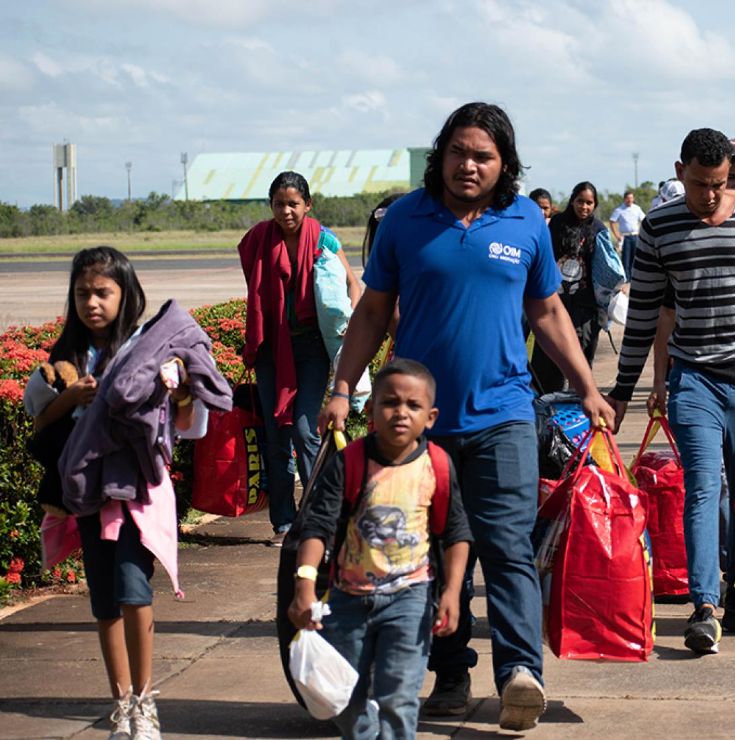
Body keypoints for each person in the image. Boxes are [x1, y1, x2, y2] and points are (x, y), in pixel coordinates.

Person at [320, 101, 614, 731]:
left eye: (483, 156)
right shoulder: (405, 219)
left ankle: (519, 674)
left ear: (505, 163)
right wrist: (342, 387)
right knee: (424, 556)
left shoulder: (525, 221)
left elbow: (548, 312)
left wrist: (588, 388)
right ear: (441, 155)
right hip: (418, 427)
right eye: (458, 152)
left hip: (505, 414)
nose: (468, 165)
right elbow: (372, 312)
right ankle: (450, 672)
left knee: (508, 546)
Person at [608, 128, 735, 656]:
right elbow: (644, 314)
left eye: (720, 183)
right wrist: (623, 389)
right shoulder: (658, 227)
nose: (712, 194)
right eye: (700, 184)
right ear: (680, 173)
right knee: (701, 486)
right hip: (694, 379)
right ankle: (704, 606)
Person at [25, 247, 219, 740]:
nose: (91, 302)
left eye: (102, 292)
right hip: (89, 495)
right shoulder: (65, 360)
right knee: (104, 602)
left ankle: (145, 703)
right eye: (82, 293)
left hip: (137, 493)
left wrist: (179, 389)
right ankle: (121, 704)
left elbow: (187, 423)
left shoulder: (147, 350)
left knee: (135, 592)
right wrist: (72, 397)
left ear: (125, 294)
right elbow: (40, 420)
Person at [290, 359, 472, 739]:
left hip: (410, 600)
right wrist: (304, 586)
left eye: (413, 405)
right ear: (371, 409)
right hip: (347, 601)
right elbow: (317, 526)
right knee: (343, 698)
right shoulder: (349, 462)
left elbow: (457, 534)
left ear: (431, 417)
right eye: (390, 402)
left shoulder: (437, 466)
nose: (401, 412)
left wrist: (452, 592)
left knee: (399, 697)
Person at [238, 172, 360, 546]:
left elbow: (352, 283)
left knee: (305, 430)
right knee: (276, 436)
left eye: (293, 204)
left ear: (308, 205)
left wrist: (349, 325)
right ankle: (284, 522)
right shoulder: (259, 239)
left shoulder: (323, 239)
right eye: (279, 204)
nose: (286, 211)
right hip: (272, 348)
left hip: (310, 348)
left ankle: (319, 517)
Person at [531, 181, 625, 394]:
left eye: (589, 203)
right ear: (572, 201)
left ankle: (578, 405)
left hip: (585, 310)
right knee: (549, 361)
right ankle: (549, 407)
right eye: (580, 201)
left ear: (595, 205)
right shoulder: (556, 225)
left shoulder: (598, 229)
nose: (584, 207)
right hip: (554, 305)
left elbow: (608, 267)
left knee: (580, 363)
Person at [609, 190, 646, 279]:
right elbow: (612, 221)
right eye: (628, 198)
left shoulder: (637, 208)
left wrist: (642, 232)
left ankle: (635, 277)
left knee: (636, 258)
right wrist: (617, 235)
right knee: (626, 259)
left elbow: (644, 220)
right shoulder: (619, 210)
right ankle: (627, 279)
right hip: (625, 237)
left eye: (631, 198)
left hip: (636, 236)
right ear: (624, 199)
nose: (630, 200)